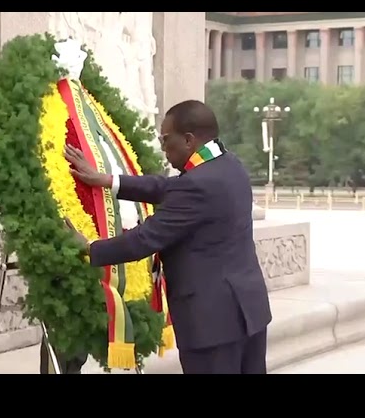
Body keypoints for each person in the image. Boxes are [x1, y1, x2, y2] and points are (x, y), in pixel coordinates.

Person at [63, 99, 272, 374]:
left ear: (188, 140)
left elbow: (145, 238)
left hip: (212, 324)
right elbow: (168, 187)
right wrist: (108, 180)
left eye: (165, 139)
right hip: (248, 313)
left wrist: (91, 248)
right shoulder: (229, 165)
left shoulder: (197, 184)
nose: (162, 148)